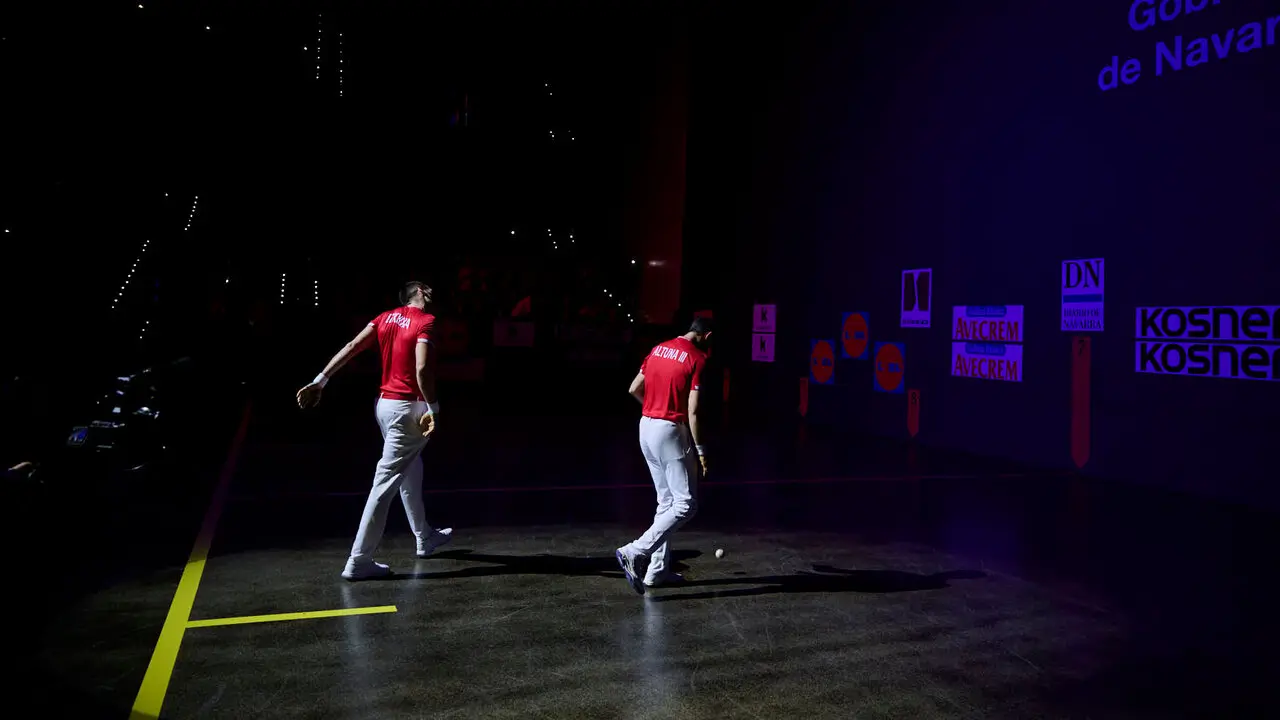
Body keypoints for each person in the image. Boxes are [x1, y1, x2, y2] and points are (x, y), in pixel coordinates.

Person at [296, 281, 453, 580]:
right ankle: (359, 560)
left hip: (384, 407)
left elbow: (353, 346)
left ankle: (424, 536)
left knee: (410, 468)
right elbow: (421, 370)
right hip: (409, 410)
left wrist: (321, 380)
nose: (433, 289)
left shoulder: (383, 318)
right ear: (417, 292)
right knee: (385, 483)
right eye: (427, 287)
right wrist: (434, 407)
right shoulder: (426, 321)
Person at [615, 316, 713, 595]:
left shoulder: (658, 348)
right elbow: (693, 412)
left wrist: (654, 410)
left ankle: (657, 572)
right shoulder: (697, 358)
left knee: (666, 502)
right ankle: (635, 551)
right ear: (706, 337)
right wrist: (702, 450)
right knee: (686, 505)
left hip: (645, 425)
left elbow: (634, 388)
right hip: (670, 429)